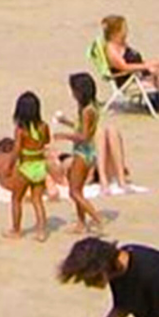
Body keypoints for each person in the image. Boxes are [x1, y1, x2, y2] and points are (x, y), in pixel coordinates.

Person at [57, 73, 128, 213]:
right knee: (106, 131)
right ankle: (118, 180)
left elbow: (84, 136)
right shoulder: (92, 107)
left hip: (84, 154)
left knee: (75, 192)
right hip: (89, 155)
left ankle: (97, 216)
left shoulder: (86, 111)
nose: (72, 94)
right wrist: (66, 122)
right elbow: (86, 130)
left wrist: (63, 136)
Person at [10, 91, 53, 241]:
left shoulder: (21, 130)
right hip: (40, 165)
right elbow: (47, 141)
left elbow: (16, 150)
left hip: (26, 166)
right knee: (37, 200)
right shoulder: (44, 126)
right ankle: (41, 231)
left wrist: (10, 165)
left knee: (16, 199)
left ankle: (16, 230)